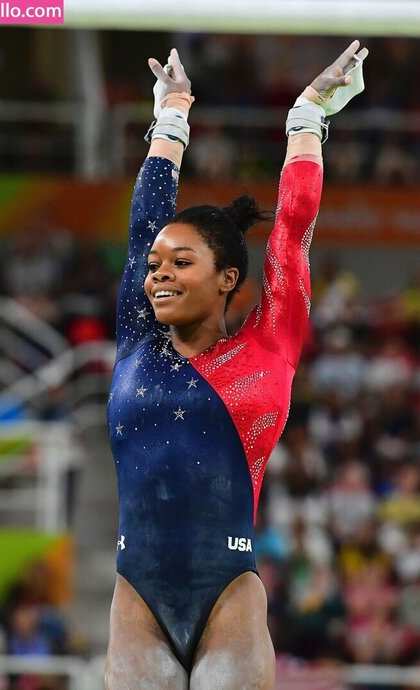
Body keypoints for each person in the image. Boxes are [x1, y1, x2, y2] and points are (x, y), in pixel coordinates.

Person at [105, 40, 368, 689]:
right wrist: (171, 116)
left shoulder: (268, 344)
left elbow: (292, 231)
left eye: (181, 263)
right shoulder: (137, 339)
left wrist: (307, 118)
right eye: (156, 266)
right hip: (136, 598)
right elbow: (143, 227)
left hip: (228, 595)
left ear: (227, 278)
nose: (159, 274)